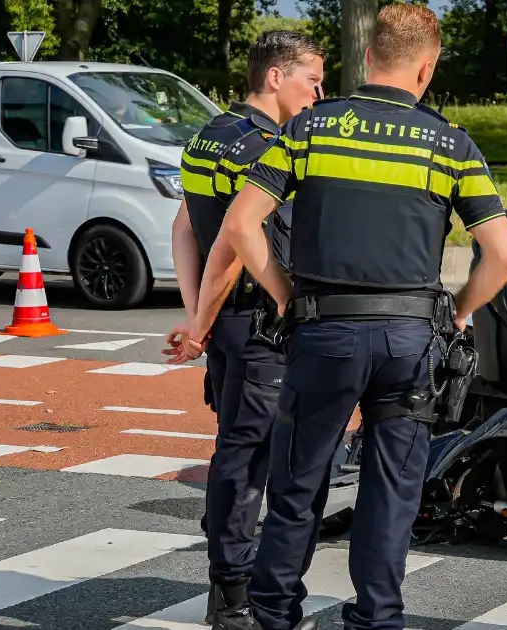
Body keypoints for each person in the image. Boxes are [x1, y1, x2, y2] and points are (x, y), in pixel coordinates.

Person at [213, 5, 507, 630]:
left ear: (369, 56)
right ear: (426, 68)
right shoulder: (449, 143)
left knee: (298, 484)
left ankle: (274, 614)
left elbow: (242, 223)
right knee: (392, 491)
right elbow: (505, 254)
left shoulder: (312, 130)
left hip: (323, 332)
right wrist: (458, 313)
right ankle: (378, 618)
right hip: (411, 341)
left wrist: (280, 291)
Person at [162, 29, 325, 625]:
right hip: (260, 325)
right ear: (276, 76)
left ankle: (227, 589)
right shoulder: (264, 147)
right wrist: (202, 320)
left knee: (235, 449)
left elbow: (185, 229)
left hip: (227, 322)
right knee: (248, 458)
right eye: (312, 79)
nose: (319, 92)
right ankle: (234, 595)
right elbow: (236, 239)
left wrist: (197, 314)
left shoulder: (207, 137)